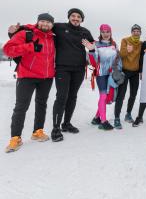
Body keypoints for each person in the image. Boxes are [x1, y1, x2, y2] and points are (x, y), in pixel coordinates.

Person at [8, 8, 95, 142]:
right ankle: (56, 128)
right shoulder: (59, 27)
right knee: (61, 97)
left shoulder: (85, 32)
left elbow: (93, 44)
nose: (76, 18)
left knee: (72, 97)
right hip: (62, 69)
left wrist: (92, 48)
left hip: (78, 69)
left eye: (79, 16)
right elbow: (38, 27)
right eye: (73, 16)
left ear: (82, 19)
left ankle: (66, 124)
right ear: (69, 17)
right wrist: (16, 29)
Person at [4, 13, 56, 152]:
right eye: (43, 21)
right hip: (27, 76)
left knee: (42, 104)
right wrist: (29, 47)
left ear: (52, 25)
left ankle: (37, 132)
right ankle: (15, 138)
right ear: (38, 22)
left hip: (47, 77)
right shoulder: (26, 34)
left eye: (48, 22)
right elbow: (8, 50)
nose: (45, 24)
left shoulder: (53, 37)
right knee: (21, 107)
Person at [86, 24, 121, 130]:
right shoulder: (95, 44)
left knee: (107, 97)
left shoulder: (114, 44)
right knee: (103, 96)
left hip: (111, 74)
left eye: (107, 32)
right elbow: (93, 62)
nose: (105, 34)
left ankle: (96, 117)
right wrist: (91, 51)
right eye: (103, 32)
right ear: (100, 33)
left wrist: (116, 69)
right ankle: (103, 121)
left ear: (110, 32)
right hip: (101, 74)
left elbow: (117, 58)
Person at [114, 24, 142, 128]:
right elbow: (121, 54)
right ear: (131, 32)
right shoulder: (125, 40)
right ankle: (117, 118)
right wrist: (127, 50)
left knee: (133, 95)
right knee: (121, 95)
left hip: (135, 72)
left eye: (138, 31)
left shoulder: (141, 43)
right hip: (125, 71)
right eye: (134, 31)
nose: (136, 32)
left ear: (140, 33)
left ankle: (128, 114)